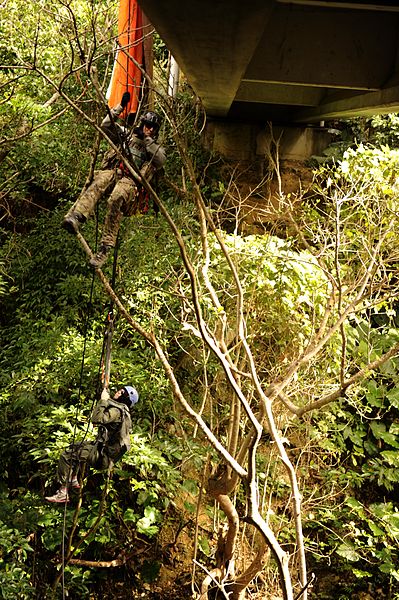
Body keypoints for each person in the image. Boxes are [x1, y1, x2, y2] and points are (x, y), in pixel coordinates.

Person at [62, 91, 166, 268]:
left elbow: (160, 160)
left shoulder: (155, 148)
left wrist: (147, 140)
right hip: (115, 172)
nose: (148, 128)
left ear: (155, 131)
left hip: (131, 183)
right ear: (142, 123)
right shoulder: (126, 135)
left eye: (152, 127)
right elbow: (105, 125)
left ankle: (104, 249)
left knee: (116, 198)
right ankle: (77, 217)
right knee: (99, 181)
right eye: (146, 125)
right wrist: (121, 106)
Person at [45, 385, 139, 504]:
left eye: (121, 392)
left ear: (124, 397)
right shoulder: (124, 412)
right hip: (104, 454)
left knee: (66, 455)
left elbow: (96, 419)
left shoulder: (116, 411)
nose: (117, 392)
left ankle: (63, 492)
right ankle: (73, 479)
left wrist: (103, 400)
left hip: (101, 456)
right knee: (75, 446)